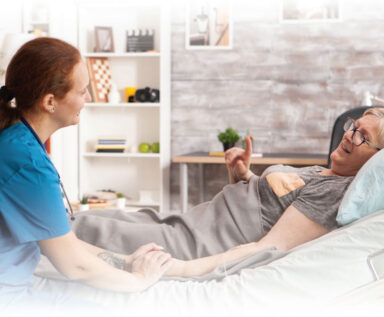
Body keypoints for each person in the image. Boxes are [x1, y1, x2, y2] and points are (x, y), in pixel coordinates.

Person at [73, 108, 384, 277]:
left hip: (203, 240)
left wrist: (185, 268)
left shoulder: (334, 194)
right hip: (195, 219)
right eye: (352, 126)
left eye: (362, 137)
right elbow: (273, 204)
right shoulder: (322, 172)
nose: (349, 136)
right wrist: (242, 175)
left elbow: (269, 246)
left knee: (89, 230)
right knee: (106, 217)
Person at [0, 37, 172, 314]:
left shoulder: (18, 141)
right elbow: (73, 265)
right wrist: (138, 281)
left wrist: (126, 261)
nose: (89, 98)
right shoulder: (26, 161)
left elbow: (61, 241)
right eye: (82, 91)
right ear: (50, 102)